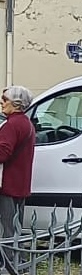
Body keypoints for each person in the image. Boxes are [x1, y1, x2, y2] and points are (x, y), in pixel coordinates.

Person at [0, 86, 35, 240]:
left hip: (7, 184)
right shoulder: (26, 123)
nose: (2, 102)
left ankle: (8, 256)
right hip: (20, 184)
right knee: (16, 227)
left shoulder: (11, 125)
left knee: (6, 229)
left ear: (16, 103)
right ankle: (16, 254)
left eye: (5, 99)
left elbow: (2, 153)